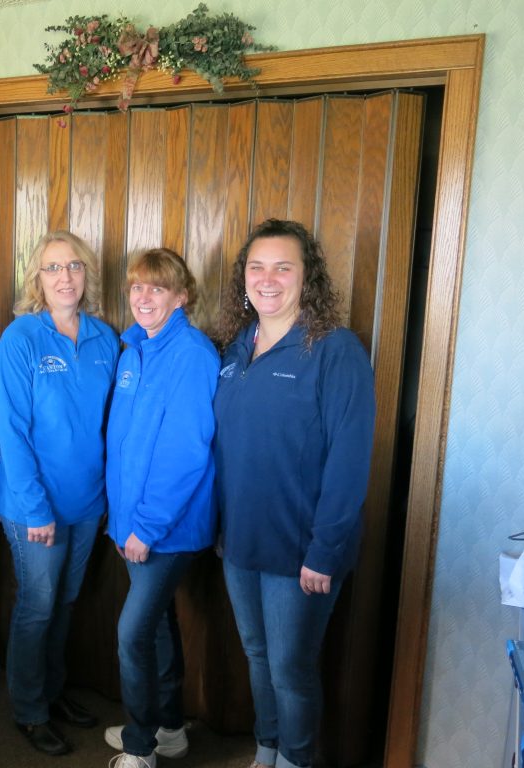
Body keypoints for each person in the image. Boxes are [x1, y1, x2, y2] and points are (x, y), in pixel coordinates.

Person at [212, 219, 376, 768]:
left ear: (308, 278)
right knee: (258, 656)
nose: (269, 278)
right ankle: (268, 748)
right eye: (257, 267)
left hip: (301, 552)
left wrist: (325, 552)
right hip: (240, 543)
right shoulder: (236, 349)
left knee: (291, 669)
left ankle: (297, 759)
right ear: (244, 278)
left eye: (284, 267)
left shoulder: (335, 350)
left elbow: (350, 464)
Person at [0, 231, 119, 756]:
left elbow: (114, 424)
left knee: (65, 603)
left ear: (87, 274)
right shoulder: (21, 339)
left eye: (73, 266)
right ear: (36, 280)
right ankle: (29, 709)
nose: (64, 277)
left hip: (87, 504)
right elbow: (11, 432)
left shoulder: (105, 339)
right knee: (38, 606)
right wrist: (36, 508)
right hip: (33, 506)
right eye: (51, 268)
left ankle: (52, 690)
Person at [103, 249, 220, 768]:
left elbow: (185, 451)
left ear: (182, 295)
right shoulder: (133, 350)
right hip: (133, 525)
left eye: (157, 288)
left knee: (132, 633)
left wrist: (146, 526)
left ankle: (139, 746)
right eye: (136, 287)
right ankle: (169, 729)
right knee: (156, 627)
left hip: (166, 530)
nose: (143, 297)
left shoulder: (192, 354)